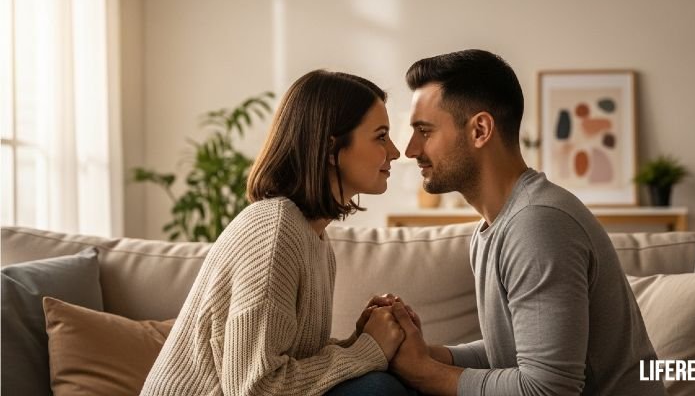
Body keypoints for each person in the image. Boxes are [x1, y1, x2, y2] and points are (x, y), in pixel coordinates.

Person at [388, 50, 666, 395]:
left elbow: (547, 389)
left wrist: (424, 373)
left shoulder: (537, 225)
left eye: (424, 131)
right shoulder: (497, 226)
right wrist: (428, 354)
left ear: (480, 130)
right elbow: (516, 351)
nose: (410, 149)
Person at [141, 70, 416, 396]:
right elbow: (255, 387)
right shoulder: (274, 233)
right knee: (379, 389)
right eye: (381, 136)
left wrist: (358, 342)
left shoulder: (313, 236)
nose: (395, 152)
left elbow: (289, 361)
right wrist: (366, 352)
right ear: (331, 147)